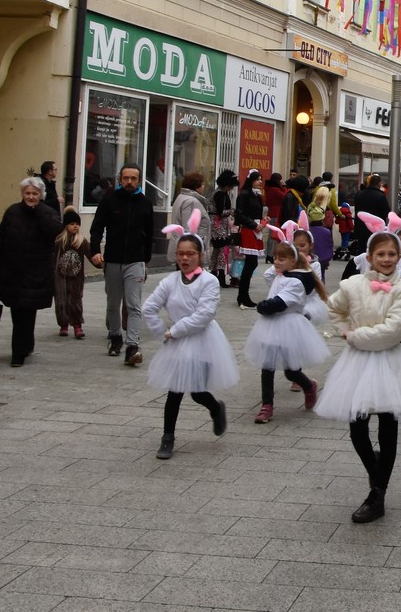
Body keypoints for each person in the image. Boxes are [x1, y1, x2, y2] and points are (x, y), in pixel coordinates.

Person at [314, 229, 401, 523]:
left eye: (392, 254)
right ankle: (375, 469)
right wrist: (345, 329)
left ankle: (377, 493)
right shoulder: (353, 284)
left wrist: (355, 335)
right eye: (380, 254)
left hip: (390, 361)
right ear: (369, 257)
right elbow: (333, 306)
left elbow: (395, 330)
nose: (386, 259)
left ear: (399, 257)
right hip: (357, 363)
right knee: (357, 427)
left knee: (388, 425)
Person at [143, 234, 235, 459]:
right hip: (177, 341)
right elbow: (149, 308)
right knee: (174, 392)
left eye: (190, 254)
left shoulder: (209, 281)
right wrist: (161, 333)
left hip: (203, 340)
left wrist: (175, 331)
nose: (185, 258)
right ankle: (167, 438)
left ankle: (215, 408)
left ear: (200, 256)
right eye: (180, 254)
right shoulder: (170, 281)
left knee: (196, 391)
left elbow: (204, 315)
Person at [246, 241, 331, 423]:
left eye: (282, 259)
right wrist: (280, 263)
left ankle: (309, 385)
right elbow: (269, 275)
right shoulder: (281, 275)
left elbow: (279, 303)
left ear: (293, 261)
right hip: (271, 327)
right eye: (275, 258)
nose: (276, 262)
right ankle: (267, 405)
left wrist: (262, 306)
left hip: (289, 326)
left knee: (291, 371)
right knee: (267, 367)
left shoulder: (297, 282)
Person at [0, 176, 64, 368]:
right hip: (12, 271)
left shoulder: (48, 212)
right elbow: (0, 240)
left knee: (27, 312)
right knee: (17, 311)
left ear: (41, 195)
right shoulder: (12, 212)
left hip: (35, 272)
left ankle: (18, 353)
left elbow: (55, 232)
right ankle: (25, 344)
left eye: (34, 194)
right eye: (27, 193)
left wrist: (39, 211)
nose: (30, 197)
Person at [88, 163, 154, 365]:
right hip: (113, 260)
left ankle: (132, 345)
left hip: (135, 261)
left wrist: (145, 259)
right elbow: (96, 228)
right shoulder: (109, 201)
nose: (129, 182)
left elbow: (149, 233)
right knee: (112, 303)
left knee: (134, 304)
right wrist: (95, 252)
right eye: (126, 178)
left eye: (133, 179)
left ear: (139, 180)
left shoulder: (145, 203)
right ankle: (115, 336)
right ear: (120, 179)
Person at [53, 208, 90, 338]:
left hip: (76, 277)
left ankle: (77, 325)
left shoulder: (81, 241)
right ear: (66, 226)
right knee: (61, 300)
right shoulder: (59, 241)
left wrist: (99, 261)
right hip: (60, 276)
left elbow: (91, 255)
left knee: (75, 300)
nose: (75, 226)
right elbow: (53, 258)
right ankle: (63, 324)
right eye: (72, 224)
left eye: (77, 224)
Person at [234, 169, 266, 309]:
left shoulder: (257, 195)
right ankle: (243, 295)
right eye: (257, 179)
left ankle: (243, 295)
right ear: (251, 180)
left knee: (252, 263)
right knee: (250, 263)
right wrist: (254, 224)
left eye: (260, 179)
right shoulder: (244, 194)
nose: (260, 182)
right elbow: (239, 214)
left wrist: (263, 221)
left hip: (256, 229)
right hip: (248, 230)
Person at [168, 173, 212, 262]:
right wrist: (191, 250)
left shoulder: (182, 197)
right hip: (190, 252)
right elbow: (189, 228)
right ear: (196, 186)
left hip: (183, 247)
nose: (204, 187)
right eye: (202, 185)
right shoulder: (191, 201)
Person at [209, 170, 239, 285]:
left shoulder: (219, 192)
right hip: (218, 225)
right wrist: (231, 211)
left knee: (217, 250)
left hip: (217, 225)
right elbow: (221, 212)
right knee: (222, 250)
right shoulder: (220, 194)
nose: (231, 188)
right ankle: (220, 275)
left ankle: (213, 271)